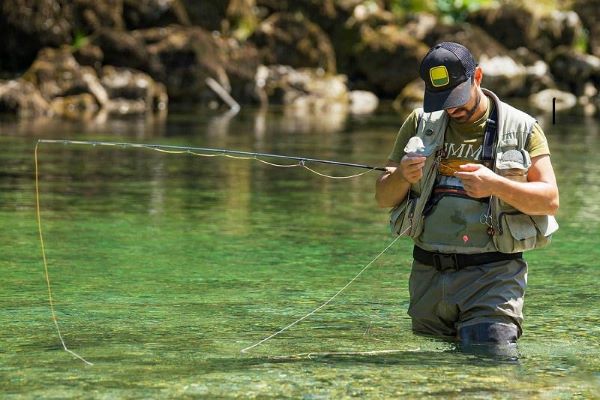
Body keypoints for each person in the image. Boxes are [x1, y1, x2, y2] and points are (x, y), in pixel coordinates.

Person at [375, 42, 559, 351]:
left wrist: (496, 185)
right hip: (428, 279)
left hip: (493, 277)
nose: (451, 108)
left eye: (457, 98)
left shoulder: (523, 128)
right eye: (442, 100)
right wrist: (401, 176)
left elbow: (549, 199)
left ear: (478, 77)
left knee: (491, 361)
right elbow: (383, 196)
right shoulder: (419, 124)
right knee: (435, 376)